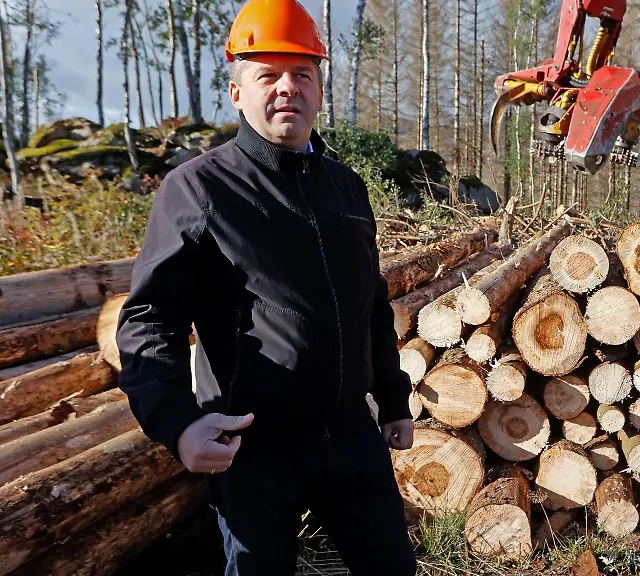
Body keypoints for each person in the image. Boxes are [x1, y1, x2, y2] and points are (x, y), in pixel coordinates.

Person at [114, 1, 416, 574]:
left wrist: (393, 397)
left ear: (320, 90)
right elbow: (150, 318)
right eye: (268, 74)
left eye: (303, 74)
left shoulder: (347, 188)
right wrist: (178, 423)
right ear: (236, 93)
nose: (287, 88)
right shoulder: (199, 189)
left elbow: (370, 303)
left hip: (352, 438)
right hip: (253, 448)